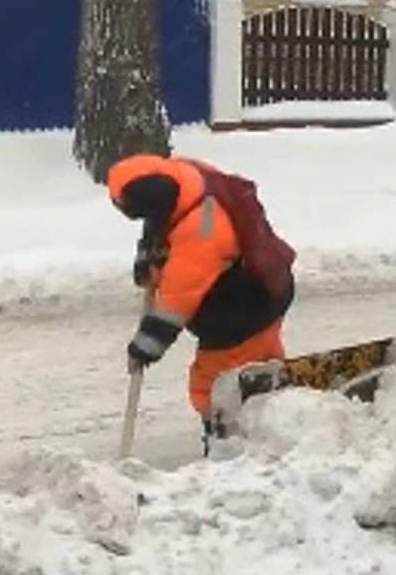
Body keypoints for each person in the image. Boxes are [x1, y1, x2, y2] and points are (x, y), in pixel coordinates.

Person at [105, 153, 297, 453]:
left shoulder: (202, 230)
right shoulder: (184, 175)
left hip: (242, 311)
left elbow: (177, 301)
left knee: (215, 385)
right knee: (261, 368)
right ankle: (274, 424)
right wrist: (148, 252)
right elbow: (158, 222)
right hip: (265, 285)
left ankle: (224, 440)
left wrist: (145, 346)